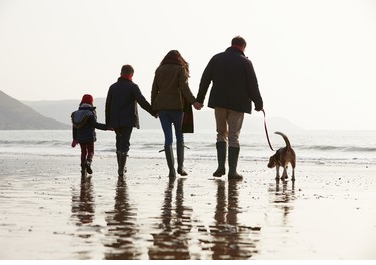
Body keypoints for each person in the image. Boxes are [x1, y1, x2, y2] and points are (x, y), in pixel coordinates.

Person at [196, 36, 264, 180]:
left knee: (221, 134)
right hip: (238, 105)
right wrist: (259, 104)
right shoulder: (246, 62)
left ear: (232, 44)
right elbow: (253, 85)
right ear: (243, 47)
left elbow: (205, 79)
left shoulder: (216, 58)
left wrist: (199, 100)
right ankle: (232, 171)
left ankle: (221, 167)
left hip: (219, 102)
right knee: (233, 136)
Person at [151, 50, 203, 178]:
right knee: (180, 137)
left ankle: (171, 170)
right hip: (177, 107)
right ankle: (180, 167)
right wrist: (194, 102)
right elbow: (184, 88)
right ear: (179, 59)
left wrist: (154, 108)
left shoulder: (159, 70)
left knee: (168, 138)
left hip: (162, 107)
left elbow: (154, 89)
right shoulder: (181, 69)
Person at [106, 64, 156, 177]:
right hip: (128, 120)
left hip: (115, 120)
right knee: (125, 143)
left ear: (121, 73)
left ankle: (120, 168)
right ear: (131, 74)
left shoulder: (113, 87)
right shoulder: (133, 87)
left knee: (119, 143)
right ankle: (121, 169)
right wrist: (153, 112)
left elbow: (107, 106)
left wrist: (108, 123)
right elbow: (142, 102)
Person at [71, 94, 108, 175]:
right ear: (91, 102)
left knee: (83, 152)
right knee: (91, 152)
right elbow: (95, 124)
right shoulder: (90, 113)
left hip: (80, 137)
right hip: (89, 136)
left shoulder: (75, 113)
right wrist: (107, 127)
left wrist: (74, 138)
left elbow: (74, 127)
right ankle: (88, 162)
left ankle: (83, 168)